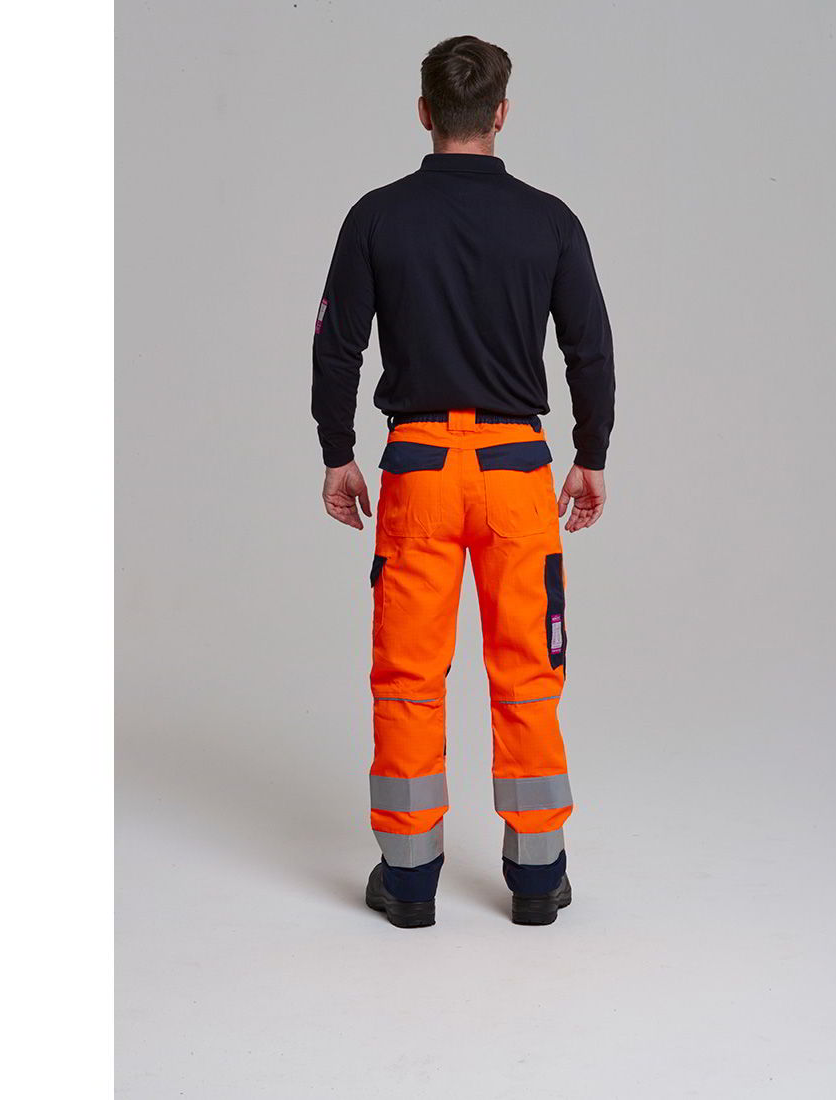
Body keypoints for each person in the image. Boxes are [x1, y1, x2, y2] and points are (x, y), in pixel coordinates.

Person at [312, 35, 615, 927]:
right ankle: (537, 879)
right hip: (518, 473)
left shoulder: (377, 216)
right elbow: (589, 348)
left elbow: (337, 344)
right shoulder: (550, 221)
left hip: (416, 473)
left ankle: (409, 884)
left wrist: (338, 451)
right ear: (501, 114)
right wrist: (591, 453)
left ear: (424, 113)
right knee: (529, 673)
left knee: (408, 676)